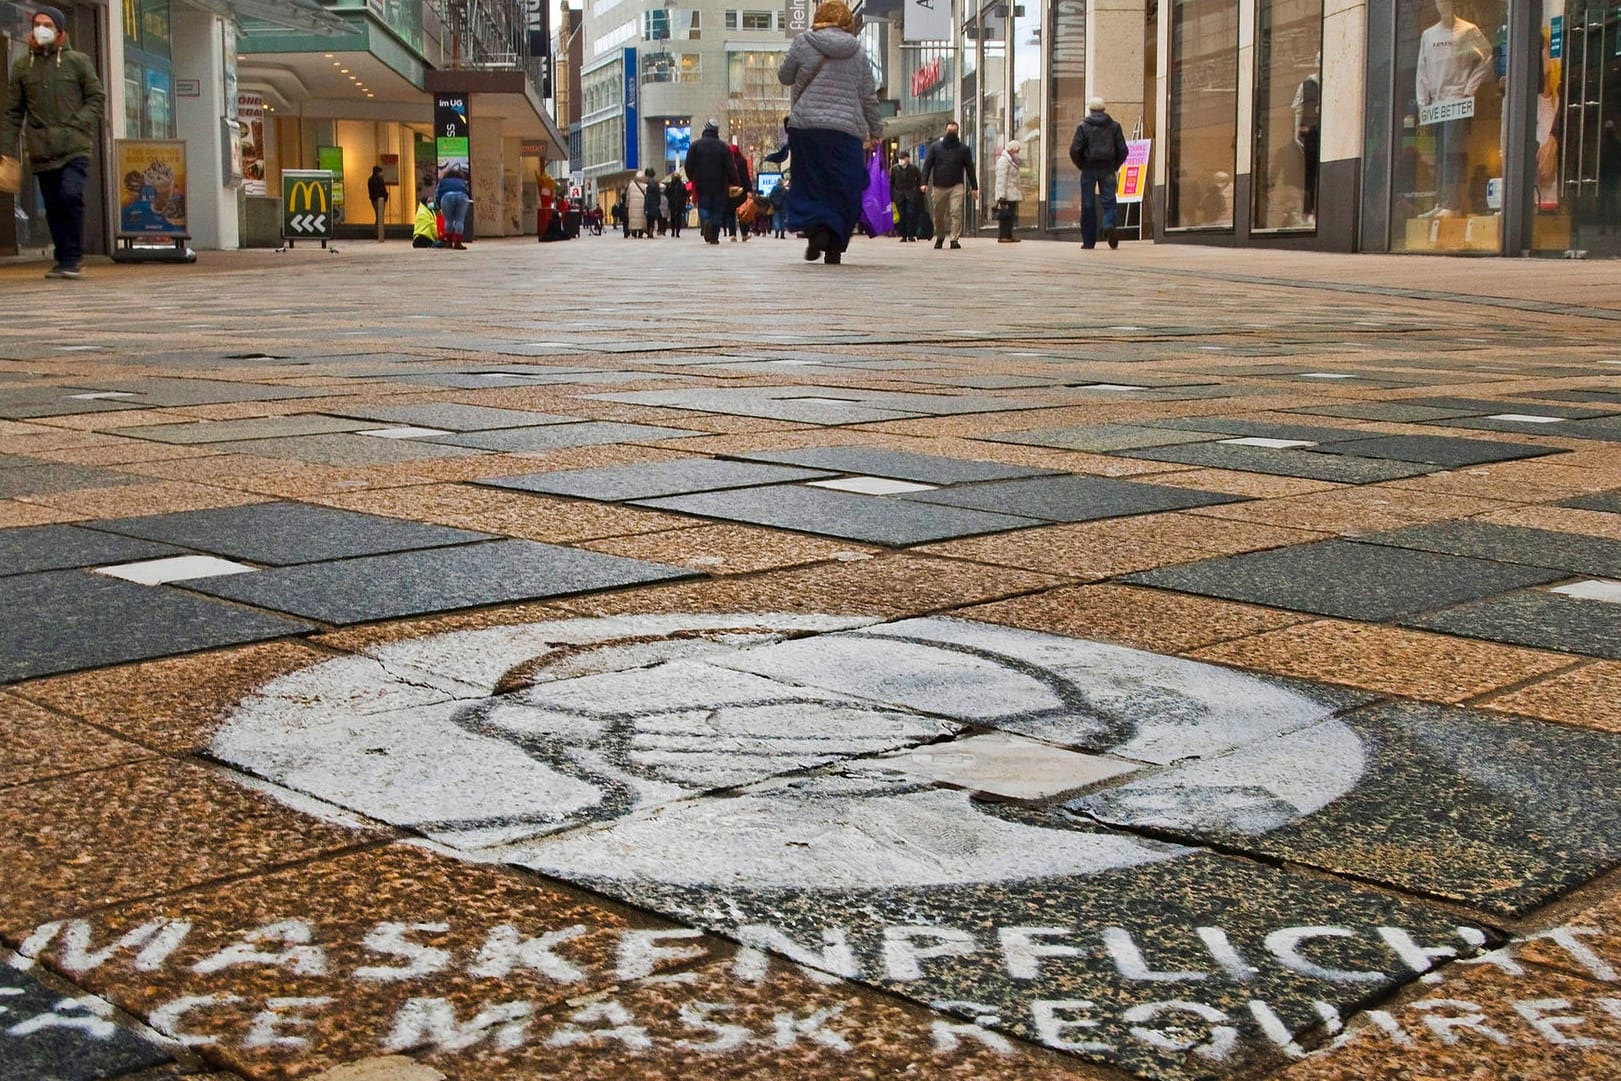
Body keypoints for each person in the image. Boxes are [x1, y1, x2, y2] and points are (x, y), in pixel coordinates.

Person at [0, 5, 105, 279]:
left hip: (74, 146)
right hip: (41, 148)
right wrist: (6, 150)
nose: (41, 29)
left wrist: (79, 122)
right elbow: (13, 112)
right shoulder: (23, 66)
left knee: (70, 195)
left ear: (59, 30)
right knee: (54, 205)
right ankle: (63, 259)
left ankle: (74, 257)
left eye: (47, 24)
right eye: (37, 23)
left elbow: (96, 97)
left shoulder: (77, 61)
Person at [777, 0, 884, 265]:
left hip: (807, 128)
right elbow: (868, 96)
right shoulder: (857, 52)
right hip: (845, 131)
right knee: (843, 186)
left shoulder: (803, 42)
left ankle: (816, 230)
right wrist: (876, 130)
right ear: (847, 22)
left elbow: (784, 76)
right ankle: (835, 243)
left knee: (810, 181)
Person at [1069, 97, 1128, 249]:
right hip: (1108, 167)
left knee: (1088, 204)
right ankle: (1108, 224)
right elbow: (1123, 150)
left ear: (1090, 109)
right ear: (1104, 109)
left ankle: (1089, 241)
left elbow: (1075, 150)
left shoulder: (1083, 127)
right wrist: (1115, 165)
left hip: (1089, 168)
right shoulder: (1114, 127)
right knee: (1109, 201)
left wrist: (1081, 164)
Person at [921, 120, 977, 251]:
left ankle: (954, 239)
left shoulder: (964, 149)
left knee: (955, 211)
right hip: (939, 185)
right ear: (945, 131)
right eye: (949, 130)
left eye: (954, 130)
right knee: (939, 214)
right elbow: (927, 166)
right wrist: (924, 183)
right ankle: (940, 236)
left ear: (958, 132)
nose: (952, 132)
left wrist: (974, 187)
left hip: (956, 186)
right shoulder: (935, 148)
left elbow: (970, 168)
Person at [684, 118, 738, 244]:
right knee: (716, 209)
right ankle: (714, 235)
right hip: (720, 184)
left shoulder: (695, 146)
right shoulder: (724, 147)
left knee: (704, 206)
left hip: (702, 183)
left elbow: (688, 165)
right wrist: (734, 181)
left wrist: (692, 178)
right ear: (716, 131)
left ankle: (705, 221)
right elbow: (731, 167)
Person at [1291, 55, 1321, 225]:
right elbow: (1298, 108)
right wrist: (1297, 131)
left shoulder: (1331, 82)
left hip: (1326, 133)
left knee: (1320, 173)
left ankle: (1318, 209)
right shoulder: (1306, 85)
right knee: (1310, 174)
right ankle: (1309, 210)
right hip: (1311, 133)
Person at [992, 138, 1023, 243]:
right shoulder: (1004, 161)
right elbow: (1001, 179)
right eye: (1017, 151)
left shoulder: (1011, 161)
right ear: (1011, 150)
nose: (1018, 153)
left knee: (1010, 216)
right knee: (1005, 216)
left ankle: (1009, 235)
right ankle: (1003, 235)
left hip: (1012, 193)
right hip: (1006, 194)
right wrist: (1002, 196)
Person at [434, 164, 471, 249]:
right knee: (460, 220)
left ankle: (449, 242)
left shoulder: (443, 181)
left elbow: (437, 193)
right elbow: (467, 191)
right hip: (462, 197)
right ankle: (458, 243)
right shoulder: (462, 181)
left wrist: (439, 204)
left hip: (447, 197)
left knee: (448, 220)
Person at [889, 149, 922, 242]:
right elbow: (891, 182)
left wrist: (916, 189)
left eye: (903, 158)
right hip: (899, 194)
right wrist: (891, 195)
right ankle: (903, 235)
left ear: (908, 159)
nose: (901, 160)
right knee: (901, 215)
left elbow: (919, 178)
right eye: (900, 158)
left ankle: (911, 234)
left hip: (910, 193)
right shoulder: (895, 169)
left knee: (910, 214)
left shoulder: (914, 168)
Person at [727, 138, 753, 241]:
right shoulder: (742, 161)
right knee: (743, 213)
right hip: (741, 191)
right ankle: (744, 234)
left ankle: (732, 234)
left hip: (730, 191)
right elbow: (746, 176)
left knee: (730, 214)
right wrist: (749, 190)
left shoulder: (726, 161)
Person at [626, 169, 651, 238]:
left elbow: (628, 196)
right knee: (641, 219)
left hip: (632, 206)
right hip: (642, 205)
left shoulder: (631, 185)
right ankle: (640, 232)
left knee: (634, 219)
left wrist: (627, 204)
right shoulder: (645, 186)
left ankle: (634, 232)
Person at [368, 164, 388, 241]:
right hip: (379, 199)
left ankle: (377, 232)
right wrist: (384, 197)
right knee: (379, 216)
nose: (381, 173)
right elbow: (382, 190)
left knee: (378, 216)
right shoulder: (378, 180)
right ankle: (378, 232)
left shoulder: (371, 180)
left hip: (375, 199)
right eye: (380, 172)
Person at [665, 173, 688, 237]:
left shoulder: (682, 185)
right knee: (674, 218)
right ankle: (673, 231)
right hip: (673, 203)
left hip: (679, 204)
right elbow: (667, 193)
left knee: (678, 218)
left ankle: (677, 232)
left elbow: (685, 194)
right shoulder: (670, 185)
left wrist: (682, 200)